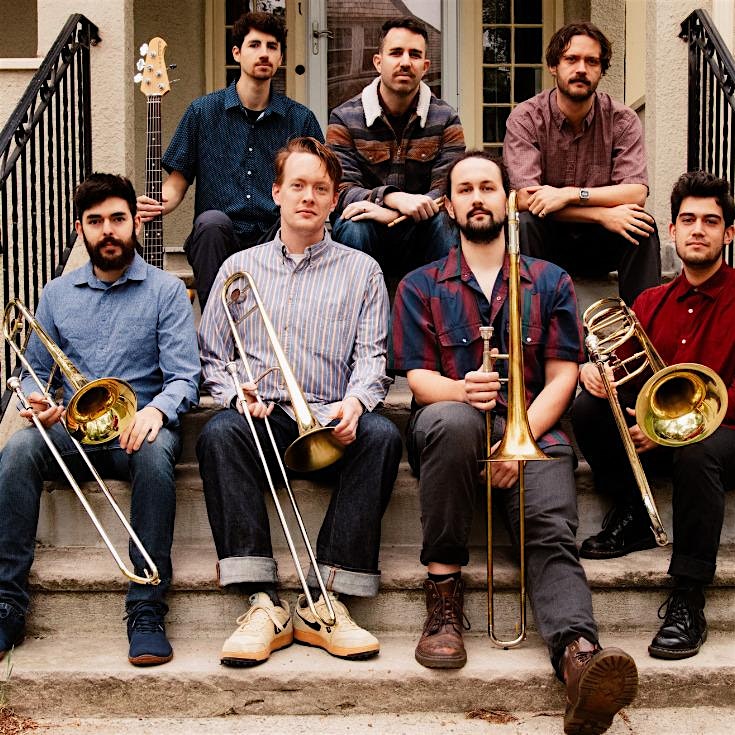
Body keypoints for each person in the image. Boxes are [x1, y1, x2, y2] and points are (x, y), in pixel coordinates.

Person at [392, 151, 638, 735]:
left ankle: (579, 659)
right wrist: (460, 389)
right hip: (450, 431)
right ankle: (443, 596)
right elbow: (419, 380)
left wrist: (515, 441)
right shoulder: (419, 285)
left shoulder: (549, 280)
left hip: (533, 430)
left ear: (507, 200)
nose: (477, 198)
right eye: (465, 190)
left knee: (550, 531)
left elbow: (563, 375)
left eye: (488, 187)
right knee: (451, 421)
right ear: (449, 206)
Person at [197, 137, 402, 667]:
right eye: (297, 186)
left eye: (320, 188)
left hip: (330, 420)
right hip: (265, 419)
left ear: (334, 199)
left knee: (383, 435)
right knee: (218, 433)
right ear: (277, 193)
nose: (308, 197)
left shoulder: (362, 270)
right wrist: (234, 393)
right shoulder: (238, 268)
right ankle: (262, 600)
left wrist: (356, 404)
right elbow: (213, 355)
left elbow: (373, 358)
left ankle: (325, 597)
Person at [0, 173, 200, 666]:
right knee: (18, 450)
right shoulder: (56, 295)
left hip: (139, 427)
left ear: (135, 223)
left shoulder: (166, 291)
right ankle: (6, 602)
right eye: (95, 221)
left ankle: (147, 607)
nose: (108, 230)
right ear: (80, 229)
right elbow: (33, 372)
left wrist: (157, 411)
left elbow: (185, 377)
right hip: (75, 430)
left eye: (117, 218)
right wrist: (36, 401)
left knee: (155, 455)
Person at [572, 170, 735, 661]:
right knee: (589, 407)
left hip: (723, 441)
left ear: (728, 233)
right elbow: (620, 366)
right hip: (658, 437)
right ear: (672, 230)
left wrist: (672, 432)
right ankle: (635, 515)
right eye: (688, 220)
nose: (698, 230)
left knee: (699, 450)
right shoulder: (649, 301)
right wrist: (594, 371)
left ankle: (688, 595)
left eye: (711, 221)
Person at [137, 11, 323, 309]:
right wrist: (154, 203)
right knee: (211, 223)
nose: (264, 53)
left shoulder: (300, 119)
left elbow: (319, 182)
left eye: (272, 46)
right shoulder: (202, 112)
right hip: (219, 238)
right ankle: (217, 326)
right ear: (236, 52)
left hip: (276, 235)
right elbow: (177, 182)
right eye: (255, 45)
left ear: (280, 57)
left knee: (294, 225)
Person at [503, 21, 661, 305]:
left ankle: (643, 322)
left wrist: (570, 194)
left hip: (600, 243)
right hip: (546, 240)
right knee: (524, 222)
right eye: (571, 59)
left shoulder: (621, 120)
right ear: (553, 66)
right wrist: (600, 214)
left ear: (601, 70)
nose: (581, 69)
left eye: (592, 61)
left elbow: (636, 192)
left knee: (642, 225)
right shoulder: (526, 118)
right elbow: (526, 198)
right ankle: (532, 321)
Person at [327, 17, 464, 276]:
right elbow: (341, 190)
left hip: (423, 229)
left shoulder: (446, 119)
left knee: (446, 223)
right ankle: (358, 300)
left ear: (425, 67)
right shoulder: (344, 117)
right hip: (368, 227)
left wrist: (397, 215)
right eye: (396, 52)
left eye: (414, 55)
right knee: (353, 224)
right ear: (378, 62)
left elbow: (447, 191)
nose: (405, 62)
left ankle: (444, 300)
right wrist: (391, 198)